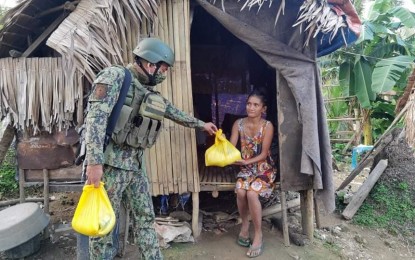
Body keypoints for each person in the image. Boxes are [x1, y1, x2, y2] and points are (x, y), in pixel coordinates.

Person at [84, 37, 217, 259]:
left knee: (145, 219)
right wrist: (94, 163)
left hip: (135, 167)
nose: (164, 73)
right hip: (110, 167)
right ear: (150, 63)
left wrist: (201, 125)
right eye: (163, 68)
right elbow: (95, 120)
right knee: (103, 227)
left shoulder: (147, 91)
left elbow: (172, 111)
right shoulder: (115, 77)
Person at [229, 89, 277, 258]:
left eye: (256, 105)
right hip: (246, 169)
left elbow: (264, 154)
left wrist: (245, 161)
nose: (251, 107)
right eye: (249, 104)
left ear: (263, 108)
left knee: (251, 193)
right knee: (241, 191)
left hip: (264, 169)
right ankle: (244, 225)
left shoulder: (267, 126)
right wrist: (223, 150)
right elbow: (230, 147)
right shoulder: (238, 124)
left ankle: (258, 234)